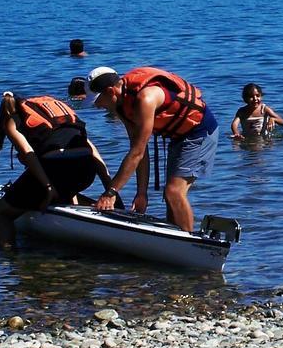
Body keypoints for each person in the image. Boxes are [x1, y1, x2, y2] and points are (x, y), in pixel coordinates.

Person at [87, 66, 219, 233]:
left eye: (97, 101)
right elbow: (139, 151)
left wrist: (110, 193)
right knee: (170, 195)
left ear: (110, 91)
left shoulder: (146, 99)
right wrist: (141, 193)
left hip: (200, 131)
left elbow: (136, 153)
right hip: (178, 136)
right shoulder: (122, 107)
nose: (97, 106)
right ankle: (174, 239)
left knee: (174, 192)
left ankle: (190, 243)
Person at [0, 91, 112, 249]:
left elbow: (29, 155)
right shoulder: (58, 110)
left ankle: (9, 258)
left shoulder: (12, 119)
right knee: (65, 183)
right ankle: (73, 217)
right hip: (86, 170)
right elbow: (91, 149)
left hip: (56, 170)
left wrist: (48, 187)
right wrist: (110, 189)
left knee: (2, 214)